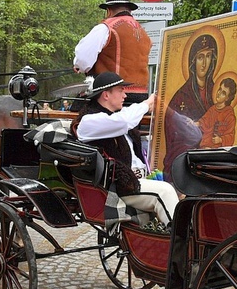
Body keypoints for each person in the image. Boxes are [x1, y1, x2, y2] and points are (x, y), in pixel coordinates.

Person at [71, 72, 180, 226]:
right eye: (120, 90)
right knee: (165, 191)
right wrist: (147, 104)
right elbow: (124, 121)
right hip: (118, 185)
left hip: (137, 179)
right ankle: (181, 244)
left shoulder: (114, 117)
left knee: (182, 183)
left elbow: (123, 122)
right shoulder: (89, 121)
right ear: (106, 95)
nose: (125, 95)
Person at [73, 0, 152, 104]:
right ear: (130, 10)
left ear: (109, 11)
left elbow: (83, 59)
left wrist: (78, 67)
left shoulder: (106, 27)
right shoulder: (144, 33)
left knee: (77, 111)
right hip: (141, 97)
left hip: (111, 94)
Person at [162, 28, 221, 178]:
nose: (204, 63)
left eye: (208, 56)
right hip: (189, 159)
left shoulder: (218, 92)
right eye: (200, 57)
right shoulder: (181, 96)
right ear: (192, 62)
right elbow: (174, 136)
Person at [197, 77, 237, 149]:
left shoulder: (229, 115)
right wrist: (194, 124)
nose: (219, 93)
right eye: (219, 89)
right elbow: (203, 121)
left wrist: (220, 139)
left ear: (227, 98)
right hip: (205, 146)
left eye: (223, 93)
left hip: (218, 150)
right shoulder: (212, 109)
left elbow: (231, 136)